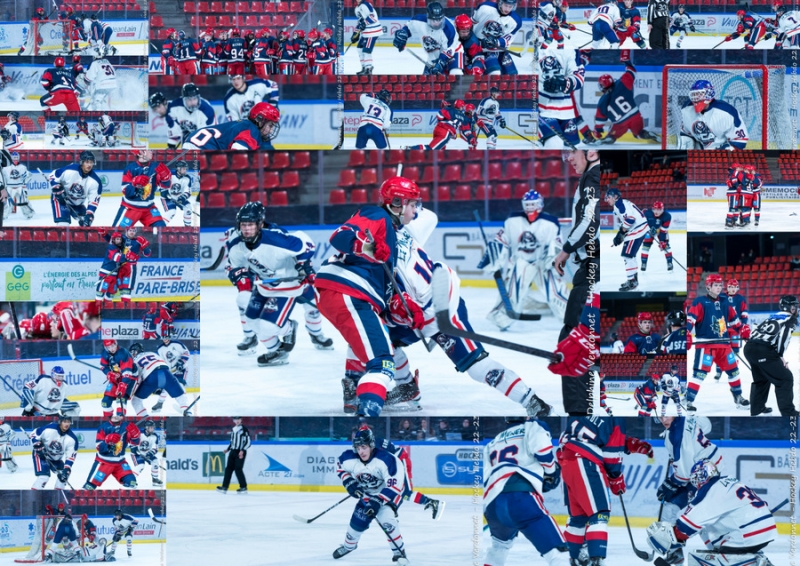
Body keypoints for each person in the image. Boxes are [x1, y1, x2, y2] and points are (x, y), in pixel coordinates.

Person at [647, 459, 778, 566]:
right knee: (708, 525)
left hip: (746, 537)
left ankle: (747, 564)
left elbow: (688, 526)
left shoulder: (710, 489)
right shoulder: (730, 481)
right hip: (765, 530)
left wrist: (666, 538)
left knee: (700, 558)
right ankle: (755, 562)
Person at [559, 417, 653, 565]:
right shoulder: (616, 416)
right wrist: (616, 477)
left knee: (579, 517)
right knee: (600, 514)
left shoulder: (585, 403)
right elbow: (611, 455)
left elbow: (597, 433)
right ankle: (597, 560)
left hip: (567, 458)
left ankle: (576, 557)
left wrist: (627, 444)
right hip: (586, 460)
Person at [550, 150, 600, 415]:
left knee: (573, 341)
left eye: (572, 153)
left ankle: (580, 413)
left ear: (591, 152)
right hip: (593, 266)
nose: (568, 159)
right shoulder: (593, 175)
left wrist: (566, 250)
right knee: (585, 338)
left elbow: (589, 220)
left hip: (594, 268)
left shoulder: (593, 176)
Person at [482, 418, 568, 565]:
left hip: (493, 504)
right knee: (557, 552)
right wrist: (551, 472)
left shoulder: (493, 442)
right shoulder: (533, 426)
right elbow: (543, 452)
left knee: (499, 548)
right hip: (520, 498)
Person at [479, 189, 567, 330]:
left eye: (533, 204)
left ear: (540, 205)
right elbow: (500, 241)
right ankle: (501, 319)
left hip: (543, 262)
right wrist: (493, 260)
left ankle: (571, 319)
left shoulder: (550, 223)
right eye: (528, 204)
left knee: (555, 292)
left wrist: (553, 261)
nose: (530, 208)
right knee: (513, 291)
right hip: (521, 262)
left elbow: (556, 245)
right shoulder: (512, 221)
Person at [334, 428, 410, 563]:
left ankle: (399, 552)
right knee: (356, 525)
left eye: (363, 447)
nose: (361, 451)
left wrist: (378, 500)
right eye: (357, 447)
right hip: (367, 495)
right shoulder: (349, 458)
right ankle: (348, 546)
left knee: (388, 521)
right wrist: (349, 481)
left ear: (371, 445)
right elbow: (340, 466)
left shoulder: (387, 460)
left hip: (386, 496)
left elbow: (395, 486)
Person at [686, 274, 750, 412]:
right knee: (699, 374)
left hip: (724, 344)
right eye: (716, 285)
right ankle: (689, 400)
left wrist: (742, 328)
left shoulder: (725, 301)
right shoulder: (700, 302)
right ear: (708, 287)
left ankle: (738, 397)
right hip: (706, 345)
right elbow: (690, 319)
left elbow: (734, 320)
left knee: (734, 371)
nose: (719, 287)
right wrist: (687, 332)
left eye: (720, 285)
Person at [743, 294, 800, 416]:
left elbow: (755, 332)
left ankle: (757, 410)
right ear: (787, 308)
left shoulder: (772, 316)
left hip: (749, 348)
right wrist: (779, 355)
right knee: (785, 379)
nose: (796, 310)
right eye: (794, 307)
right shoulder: (790, 319)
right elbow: (784, 337)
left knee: (762, 379)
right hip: (762, 350)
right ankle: (789, 414)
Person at [679, 81, 749, 150]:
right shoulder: (687, 109)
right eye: (694, 95)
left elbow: (740, 142)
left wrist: (721, 154)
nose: (696, 98)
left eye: (700, 94)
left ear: (709, 94)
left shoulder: (726, 111)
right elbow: (685, 134)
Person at [183, 102, 280, 150]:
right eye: (270, 125)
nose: (271, 131)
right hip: (202, 149)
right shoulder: (252, 131)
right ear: (259, 120)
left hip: (192, 143)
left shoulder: (244, 124)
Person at [84, 409, 139, 489]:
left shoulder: (127, 426)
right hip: (104, 463)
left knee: (132, 483)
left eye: (119, 414)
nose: (116, 416)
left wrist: (136, 436)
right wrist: (108, 443)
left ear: (122, 417)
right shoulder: (103, 427)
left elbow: (134, 444)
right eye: (114, 414)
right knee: (89, 487)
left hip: (120, 463)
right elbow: (98, 446)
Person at [605, 187, 648, 291]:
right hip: (639, 229)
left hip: (637, 230)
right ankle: (633, 280)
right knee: (630, 255)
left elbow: (630, 219)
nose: (607, 200)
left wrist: (621, 232)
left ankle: (632, 281)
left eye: (609, 197)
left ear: (615, 197)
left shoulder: (620, 205)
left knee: (627, 255)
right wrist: (622, 232)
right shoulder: (620, 203)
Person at [30, 415, 79, 489]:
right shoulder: (50, 428)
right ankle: (33, 496)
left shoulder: (72, 439)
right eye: (65, 422)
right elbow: (34, 434)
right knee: (43, 477)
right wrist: (38, 445)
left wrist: (67, 469)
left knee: (64, 476)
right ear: (60, 422)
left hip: (56, 459)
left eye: (68, 422)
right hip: (41, 455)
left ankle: (58, 494)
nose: (67, 424)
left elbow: (70, 456)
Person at [217, 417, 251, 493]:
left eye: (239, 419)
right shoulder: (233, 429)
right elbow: (232, 441)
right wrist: (228, 449)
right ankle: (224, 487)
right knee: (228, 469)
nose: (237, 421)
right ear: (233, 421)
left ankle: (243, 487)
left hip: (240, 452)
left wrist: (242, 450)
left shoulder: (244, 429)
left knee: (238, 469)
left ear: (241, 420)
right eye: (236, 419)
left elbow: (248, 442)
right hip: (233, 451)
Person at [641, 201, 673, 272]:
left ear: (662, 209)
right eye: (655, 209)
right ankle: (643, 263)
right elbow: (640, 221)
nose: (656, 211)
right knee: (646, 246)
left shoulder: (667, 216)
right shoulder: (647, 214)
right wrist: (647, 229)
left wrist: (662, 241)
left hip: (659, 231)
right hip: (649, 231)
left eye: (659, 210)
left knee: (666, 245)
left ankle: (669, 262)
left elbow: (663, 230)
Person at [352, 0, 382, 75]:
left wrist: (364, 23)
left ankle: (368, 68)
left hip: (372, 31)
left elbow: (373, 17)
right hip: (365, 32)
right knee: (359, 48)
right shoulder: (356, 8)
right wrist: (355, 33)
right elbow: (360, 22)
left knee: (366, 50)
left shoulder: (366, 5)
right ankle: (364, 67)